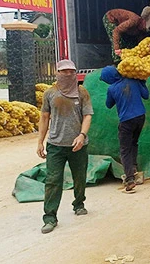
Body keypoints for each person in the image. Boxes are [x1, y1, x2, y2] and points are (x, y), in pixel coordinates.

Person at [36, 59, 94, 234]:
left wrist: (82, 135)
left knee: (79, 176)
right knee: (53, 181)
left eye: (71, 71)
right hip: (55, 145)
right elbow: (44, 117)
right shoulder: (50, 93)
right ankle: (50, 217)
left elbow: (88, 115)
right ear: (57, 73)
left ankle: (79, 203)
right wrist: (40, 141)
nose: (68, 74)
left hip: (78, 145)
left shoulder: (82, 93)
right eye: (64, 71)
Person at [100, 65, 149, 194]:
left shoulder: (112, 88)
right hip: (140, 117)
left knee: (125, 150)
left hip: (126, 121)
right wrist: (142, 83)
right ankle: (134, 169)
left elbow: (108, 105)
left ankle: (130, 180)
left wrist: (113, 93)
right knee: (134, 143)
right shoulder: (133, 81)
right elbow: (146, 95)